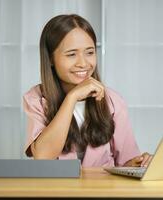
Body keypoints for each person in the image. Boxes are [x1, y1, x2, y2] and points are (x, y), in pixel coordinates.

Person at [23, 14, 153, 167]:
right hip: (58, 190)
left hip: (102, 190)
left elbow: (126, 162)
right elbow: (43, 157)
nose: (83, 63)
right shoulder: (36, 99)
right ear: (51, 58)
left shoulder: (112, 100)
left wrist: (140, 163)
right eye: (72, 54)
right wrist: (72, 97)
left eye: (90, 52)